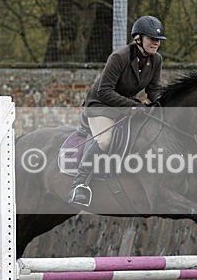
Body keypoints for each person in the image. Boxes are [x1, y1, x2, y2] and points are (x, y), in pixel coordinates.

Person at [69, 15, 166, 207]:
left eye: (158, 40)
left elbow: (153, 89)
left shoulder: (156, 60)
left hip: (126, 106)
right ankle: (79, 184)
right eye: (151, 39)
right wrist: (132, 106)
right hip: (100, 106)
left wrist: (163, 106)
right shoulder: (119, 57)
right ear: (138, 39)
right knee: (105, 140)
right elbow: (104, 91)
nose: (156, 43)